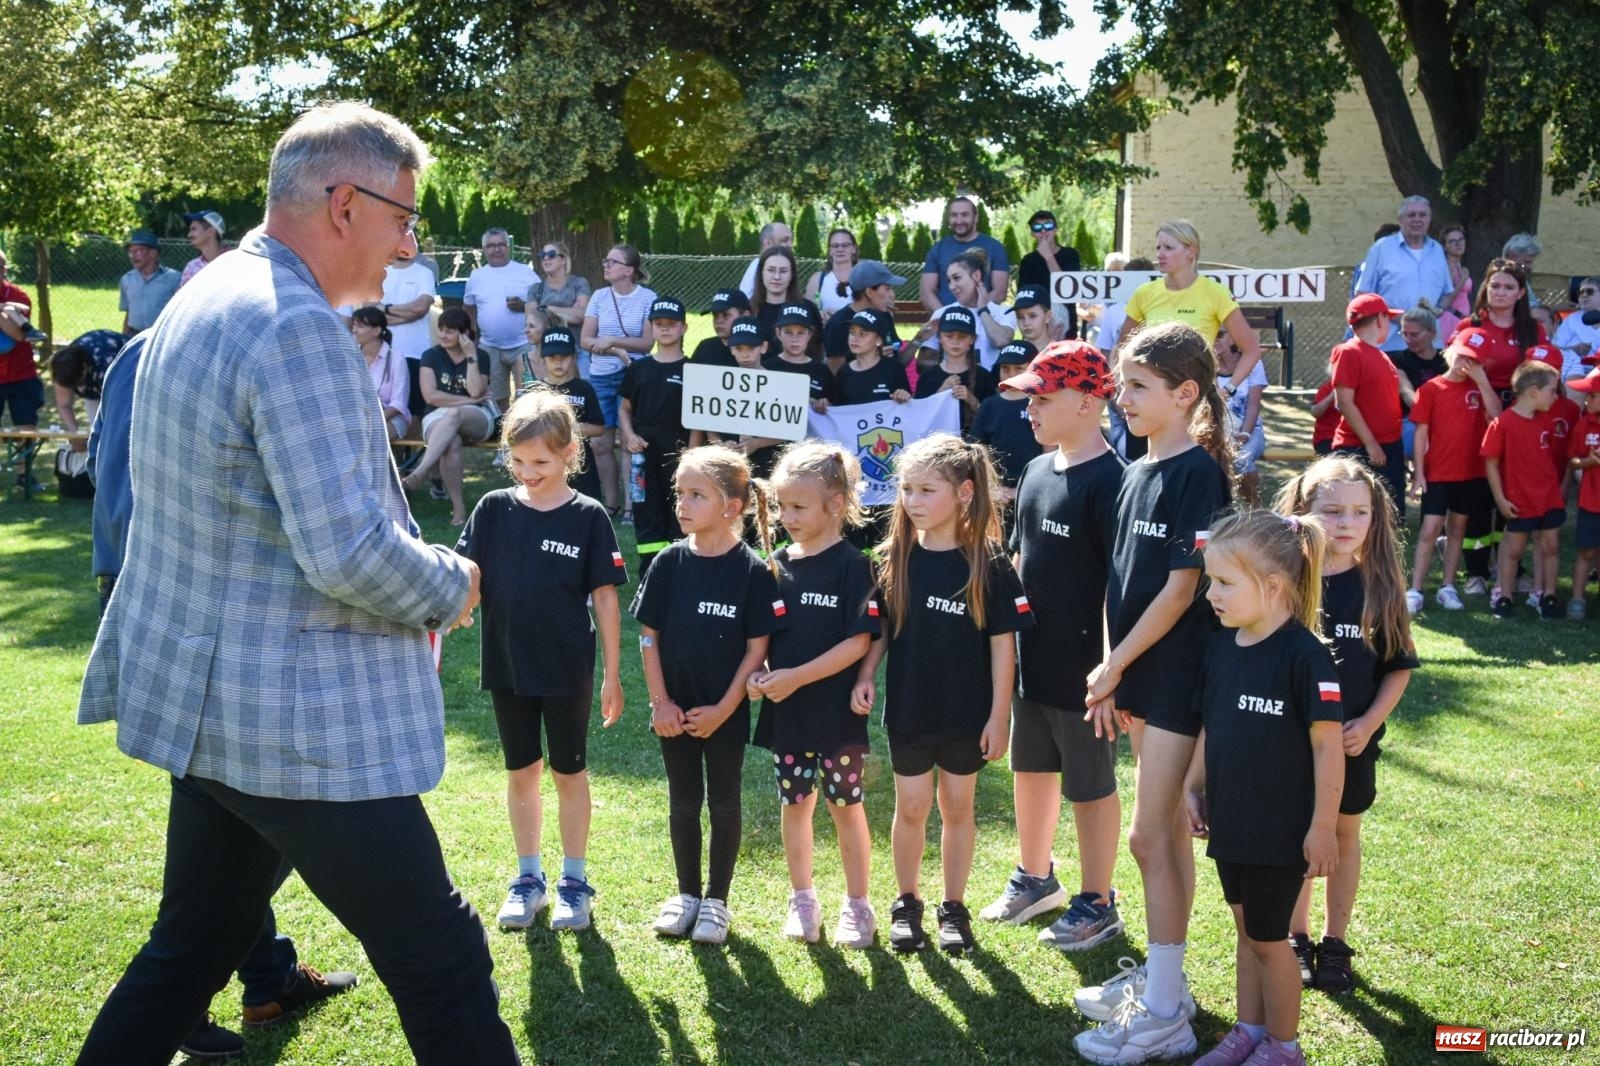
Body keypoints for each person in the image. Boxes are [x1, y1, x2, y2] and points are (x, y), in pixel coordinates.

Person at [74, 100, 519, 1066]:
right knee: (441, 958)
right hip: (295, 719)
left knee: (185, 954)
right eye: (405, 218)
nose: (409, 247)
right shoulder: (296, 328)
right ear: (344, 201)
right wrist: (455, 580)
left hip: (212, 705)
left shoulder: (209, 289)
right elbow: (349, 553)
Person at [85, 328, 361, 1060]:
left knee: (225, 810)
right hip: (200, 599)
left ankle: (265, 975)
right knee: (251, 810)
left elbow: (101, 461)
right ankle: (192, 993)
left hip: (143, 582)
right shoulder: (232, 346)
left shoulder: (146, 349)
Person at [1073, 321, 1232, 1065]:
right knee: (1162, 837)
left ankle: (1165, 1011)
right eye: (1121, 383)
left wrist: (1119, 666)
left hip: (1181, 679)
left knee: (1148, 836)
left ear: (1185, 394)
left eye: (1138, 386)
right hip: (1138, 675)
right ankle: (1166, 981)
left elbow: (1178, 591)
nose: (1122, 396)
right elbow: (1119, 588)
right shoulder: (1135, 469)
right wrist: (1111, 667)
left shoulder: (1197, 473)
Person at [851, 434, 1032, 954]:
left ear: (964, 492)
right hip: (909, 711)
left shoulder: (989, 563)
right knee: (910, 807)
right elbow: (881, 630)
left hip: (967, 715)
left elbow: (1004, 648)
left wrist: (1000, 718)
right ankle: (906, 903)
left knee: (957, 806)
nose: (913, 501)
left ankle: (953, 906)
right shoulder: (892, 557)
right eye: (907, 488)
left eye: (927, 489)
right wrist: (866, 675)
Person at [455, 388, 626, 934]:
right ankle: (528, 879)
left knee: (567, 772)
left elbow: (605, 597)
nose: (528, 472)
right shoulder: (493, 509)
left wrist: (612, 675)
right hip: (507, 664)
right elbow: (468, 573)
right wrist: (458, 604)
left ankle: (574, 883)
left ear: (570, 453)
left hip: (566, 670)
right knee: (521, 771)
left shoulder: (588, 517)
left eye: (541, 462)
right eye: (518, 460)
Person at [1182, 510, 1345, 1066]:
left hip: (1281, 833)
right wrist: (1191, 784)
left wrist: (1324, 828)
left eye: (1225, 583)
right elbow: (1213, 723)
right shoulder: (1223, 646)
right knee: (1247, 934)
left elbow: (1327, 747)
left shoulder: (1306, 657)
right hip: (1232, 824)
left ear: (1272, 586)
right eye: (1210, 581)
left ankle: (1284, 1046)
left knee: (1273, 943)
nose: (1212, 595)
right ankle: (1247, 1032)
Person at [980, 341, 1123, 952]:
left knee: (1090, 786)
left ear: (1089, 402)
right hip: (1031, 662)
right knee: (1031, 769)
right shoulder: (1038, 470)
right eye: (1028, 398)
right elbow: (1018, 559)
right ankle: (1036, 878)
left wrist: (1114, 672)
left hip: (1087, 672)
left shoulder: (1114, 481)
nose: (1030, 409)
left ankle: (1099, 898)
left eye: (1043, 397)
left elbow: (1123, 588)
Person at [633, 445, 784, 945]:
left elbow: (755, 651)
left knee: (723, 801)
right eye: (680, 493)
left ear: (732, 506)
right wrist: (661, 704)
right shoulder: (668, 562)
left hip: (725, 713)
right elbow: (648, 636)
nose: (682, 504)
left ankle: (716, 901)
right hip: (673, 713)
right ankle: (686, 895)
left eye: (697, 494)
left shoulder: (753, 571)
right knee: (682, 801)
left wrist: (724, 709)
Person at [1277, 458, 1416, 997]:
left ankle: (1335, 943)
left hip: (1354, 744)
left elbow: (1399, 666)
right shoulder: (1286, 579)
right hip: (1289, 743)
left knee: (1342, 834)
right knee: (1295, 836)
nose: (1345, 522)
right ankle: (1296, 937)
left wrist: (1369, 721)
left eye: (1359, 512)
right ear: (1302, 511)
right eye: (1331, 510)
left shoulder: (1380, 584)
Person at [750, 441, 880, 947]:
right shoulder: (775, 564)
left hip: (837, 716)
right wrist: (759, 674)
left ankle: (857, 905)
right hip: (788, 714)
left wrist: (797, 676)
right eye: (781, 506)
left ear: (836, 504)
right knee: (794, 802)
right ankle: (802, 900)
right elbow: (760, 638)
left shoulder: (854, 565)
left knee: (846, 804)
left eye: (799, 506)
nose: (787, 517)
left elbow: (858, 641)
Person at [1404, 328, 1500, 614]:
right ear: (1450, 351)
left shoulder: (1480, 388)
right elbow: (1421, 434)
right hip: (1438, 473)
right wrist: (1419, 473)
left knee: (1458, 529)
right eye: (1462, 356)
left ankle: (1448, 586)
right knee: (1430, 529)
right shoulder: (1431, 389)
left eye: (1474, 360)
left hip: (1470, 474)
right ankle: (1416, 589)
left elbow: (1497, 416)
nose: (1465, 364)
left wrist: (1482, 382)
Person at [621, 296, 700, 573]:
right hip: (643, 450)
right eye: (659, 324)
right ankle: (650, 570)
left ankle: (679, 565)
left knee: (680, 507)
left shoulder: (693, 369)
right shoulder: (639, 368)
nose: (665, 329)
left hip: (677, 448)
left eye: (671, 324)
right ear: (651, 327)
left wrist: (689, 456)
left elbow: (697, 420)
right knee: (646, 509)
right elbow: (624, 409)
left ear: (683, 328)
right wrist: (629, 436)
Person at [1483, 361, 1566, 620]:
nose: (1556, 396)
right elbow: (1491, 463)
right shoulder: (1502, 424)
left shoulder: (1547, 421)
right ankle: (1505, 596)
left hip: (1548, 495)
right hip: (1519, 499)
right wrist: (1500, 498)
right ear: (1533, 391)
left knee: (1551, 545)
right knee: (1514, 549)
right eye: (1552, 390)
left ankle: (1548, 595)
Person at [581, 243, 657, 516]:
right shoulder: (599, 296)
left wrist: (612, 340)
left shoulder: (648, 298)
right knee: (601, 443)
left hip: (633, 376)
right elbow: (586, 339)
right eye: (606, 260)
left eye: (612, 262)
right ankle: (609, 504)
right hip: (601, 375)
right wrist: (614, 349)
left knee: (628, 442)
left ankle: (630, 507)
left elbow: (648, 342)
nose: (606, 265)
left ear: (629, 270)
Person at [401, 306, 494, 525]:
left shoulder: (480, 356)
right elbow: (431, 397)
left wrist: (470, 356)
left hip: (476, 416)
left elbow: (476, 391)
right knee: (451, 442)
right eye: (441, 329)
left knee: (454, 414)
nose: (442, 335)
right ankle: (459, 510)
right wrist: (469, 400)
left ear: (464, 334)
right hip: (438, 415)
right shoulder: (430, 356)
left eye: (450, 331)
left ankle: (420, 472)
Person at [1330, 293, 1407, 516]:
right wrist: (1371, 443)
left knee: (1390, 516)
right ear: (1380, 319)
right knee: (1356, 514)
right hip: (1360, 448)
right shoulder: (1348, 351)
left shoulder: (1381, 355)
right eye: (1388, 319)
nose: (1389, 325)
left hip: (1389, 446)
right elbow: (1344, 402)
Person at [1351, 196, 1451, 352]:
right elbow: (1363, 295)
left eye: (1422, 215)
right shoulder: (1381, 249)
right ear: (1400, 220)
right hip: (1389, 345)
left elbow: (1447, 293)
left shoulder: (1437, 250)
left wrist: (1437, 311)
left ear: (1430, 219)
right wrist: (1400, 318)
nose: (1417, 220)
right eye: (1411, 215)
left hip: (1430, 347)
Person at [464, 228, 539, 409]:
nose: (496, 249)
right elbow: (468, 309)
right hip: (490, 347)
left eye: (501, 245)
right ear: (484, 249)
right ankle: (501, 434)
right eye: (491, 245)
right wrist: (471, 339)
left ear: (508, 247)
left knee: (527, 396)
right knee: (495, 400)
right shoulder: (477, 276)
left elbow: (541, 305)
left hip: (523, 344)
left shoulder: (525, 272)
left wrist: (523, 306)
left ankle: (523, 435)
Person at [968, 341, 1043, 510]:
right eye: (1006, 369)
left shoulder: (1042, 404)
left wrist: (1021, 490)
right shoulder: (989, 406)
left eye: (1019, 369)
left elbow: (1050, 453)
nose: (1011, 374)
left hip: (1036, 491)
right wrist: (990, 487)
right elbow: (977, 451)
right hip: (996, 495)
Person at [535, 325, 604, 501]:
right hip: (544, 458)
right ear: (542, 359)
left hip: (580, 460)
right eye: (552, 357)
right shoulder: (535, 391)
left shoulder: (584, 389)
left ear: (573, 358)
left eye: (563, 357)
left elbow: (599, 428)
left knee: (585, 505)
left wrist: (567, 427)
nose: (558, 362)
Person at [915, 252, 1016, 371]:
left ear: (976, 276)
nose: (952, 286)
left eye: (957, 278)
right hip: (953, 386)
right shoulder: (942, 314)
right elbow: (923, 362)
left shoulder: (1003, 312)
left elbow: (1001, 341)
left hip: (992, 386)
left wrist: (983, 310)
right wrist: (957, 369)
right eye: (949, 280)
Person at [379, 251, 439, 435]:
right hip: (382, 354)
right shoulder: (379, 272)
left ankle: (412, 461)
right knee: (384, 408)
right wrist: (408, 313)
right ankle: (394, 460)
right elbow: (370, 311)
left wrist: (386, 310)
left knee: (414, 412)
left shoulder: (424, 272)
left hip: (415, 352)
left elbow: (421, 308)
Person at [911, 306, 996, 433]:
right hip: (936, 444)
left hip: (974, 445)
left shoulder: (983, 376)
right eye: (949, 336)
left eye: (962, 336)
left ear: (972, 339)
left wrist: (972, 400)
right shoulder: (928, 376)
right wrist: (941, 392)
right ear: (939, 338)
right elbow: (919, 417)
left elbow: (993, 418)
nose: (955, 342)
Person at [920, 196, 1010, 312]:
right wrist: (946, 317)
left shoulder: (995, 248)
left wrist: (976, 316)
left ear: (975, 217)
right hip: (946, 323)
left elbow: (999, 292)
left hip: (982, 322)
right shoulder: (938, 249)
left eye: (964, 215)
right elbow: (926, 292)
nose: (959, 220)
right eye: (954, 215)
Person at [1214, 330, 1267, 506]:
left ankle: (1256, 511)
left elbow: (1253, 405)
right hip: (1217, 432)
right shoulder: (1206, 366)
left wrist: (1244, 434)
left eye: (1220, 335)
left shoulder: (1253, 364)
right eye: (1210, 335)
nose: (1214, 340)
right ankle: (1223, 510)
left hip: (1251, 430)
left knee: (1240, 461)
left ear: (1233, 338)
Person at [823, 261, 906, 372]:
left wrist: (918, 340)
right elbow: (836, 375)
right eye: (887, 288)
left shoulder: (884, 316)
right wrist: (870, 356)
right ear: (869, 292)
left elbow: (898, 363)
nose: (892, 294)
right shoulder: (839, 324)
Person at [525, 240, 592, 378]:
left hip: (576, 351)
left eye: (551, 254)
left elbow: (581, 316)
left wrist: (547, 308)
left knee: (583, 393)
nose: (545, 258)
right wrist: (567, 312)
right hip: (547, 353)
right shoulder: (535, 289)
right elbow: (532, 319)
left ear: (563, 259)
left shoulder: (579, 283)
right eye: (542, 255)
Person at [49, 329, 125, 449]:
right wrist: (74, 433)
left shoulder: (105, 363)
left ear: (84, 368)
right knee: (99, 438)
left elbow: (119, 407)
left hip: (124, 383)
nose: (77, 388)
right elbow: (64, 404)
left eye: (77, 383)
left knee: (115, 437)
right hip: (96, 390)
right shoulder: (63, 367)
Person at [1565, 369, 1600, 619]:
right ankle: (1577, 598)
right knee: (1586, 551)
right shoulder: (1583, 424)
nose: (1586, 400)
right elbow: (1572, 460)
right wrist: (1588, 461)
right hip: (1590, 500)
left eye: (1592, 395)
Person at [1390, 307, 1446, 462]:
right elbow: (1406, 390)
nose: (1408, 340)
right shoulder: (1398, 358)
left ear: (1432, 333)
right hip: (1413, 419)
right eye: (1404, 334)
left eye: (1414, 335)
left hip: (1444, 418)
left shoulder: (1447, 359)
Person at [1016, 209, 1081, 338]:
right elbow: (1024, 295)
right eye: (1037, 227)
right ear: (1032, 233)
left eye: (1048, 226)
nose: (1043, 230)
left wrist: (1048, 257)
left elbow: (1067, 288)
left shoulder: (1070, 254)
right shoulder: (1028, 261)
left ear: (1056, 229)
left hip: (1065, 326)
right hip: (1036, 325)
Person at [351, 306, 411, 441]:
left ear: (376, 331)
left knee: (372, 438)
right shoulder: (350, 357)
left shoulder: (396, 358)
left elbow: (398, 403)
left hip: (390, 418)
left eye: (359, 326)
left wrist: (374, 420)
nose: (354, 330)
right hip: (357, 419)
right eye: (354, 325)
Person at [764, 303, 835, 413]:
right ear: (778, 333)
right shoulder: (766, 369)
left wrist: (826, 405)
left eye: (801, 333)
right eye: (788, 332)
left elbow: (837, 410)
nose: (795, 339)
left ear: (810, 334)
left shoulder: (822, 371)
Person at [751, 247, 820, 359]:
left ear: (792, 275)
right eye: (771, 270)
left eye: (783, 271)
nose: (776, 277)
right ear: (761, 273)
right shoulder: (750, 310)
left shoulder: (808, 309)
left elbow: (817, 351)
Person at [834, 308, 912, 406]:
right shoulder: (844, 372)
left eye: (863, 334)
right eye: (851, 332)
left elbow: (909, 404)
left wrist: (904, 395)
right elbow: (836, 409)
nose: (855, 339)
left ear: (878, 340)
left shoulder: (893, 368)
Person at [118, 229, 181, 335]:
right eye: (131, 251)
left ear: (153, 253)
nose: (133, 256)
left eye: (138, 251)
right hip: (134, 336)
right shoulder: (126, 279)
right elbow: (128, 314)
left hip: (161, 336)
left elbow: (180, 314)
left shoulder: (174, 278)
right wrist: (123, 339)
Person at [805, 228, 859, 322]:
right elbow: (807, 312)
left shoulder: (864, 278)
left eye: (845, 245)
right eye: (835, 246)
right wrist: (819, 314)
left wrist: (841, 316)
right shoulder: (817, 280)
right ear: (829, 250)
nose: (840, 249)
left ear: (854, 248)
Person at [1553, 277, 1600, 379]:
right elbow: (1554, 349)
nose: (1584, 296)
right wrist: (1574, 349)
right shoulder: (1571, 320)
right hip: (1573, 371)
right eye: (1581, 293)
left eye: (1589, 292)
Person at [692, 288, 748, 368]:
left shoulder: (758, 349)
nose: (719, 321)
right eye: (715, 315)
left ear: (745, 315)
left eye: (725, 315)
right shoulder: (706, 348)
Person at [738, 220, 794, 299]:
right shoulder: (757, 268)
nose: (790, 245)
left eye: (791, 240)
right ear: (768, 242)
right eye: (784, 240)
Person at [1436, 222, 1471, 338]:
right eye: (1452, 241)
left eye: (1460, 239)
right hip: (1449, 319)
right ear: (1444, 247)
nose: (1458, 244)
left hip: (1461, 318)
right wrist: (1463, 280)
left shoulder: (1458, 265)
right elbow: (1446, 299)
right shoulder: (1447, 268)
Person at [179, 210, 231, 287]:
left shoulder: (236, 261)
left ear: (210, 232)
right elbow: (182, 297)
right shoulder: (192, 267)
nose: (189, 235)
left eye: (194, 229)